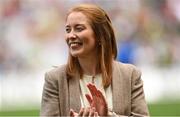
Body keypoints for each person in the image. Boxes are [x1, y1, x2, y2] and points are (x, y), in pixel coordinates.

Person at [40, 4, 149, 116]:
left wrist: (108, 116)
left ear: (99, 35)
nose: (71, 35)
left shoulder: (130, 75)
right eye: (68, 30)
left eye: (79, 28)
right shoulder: (55, 79)